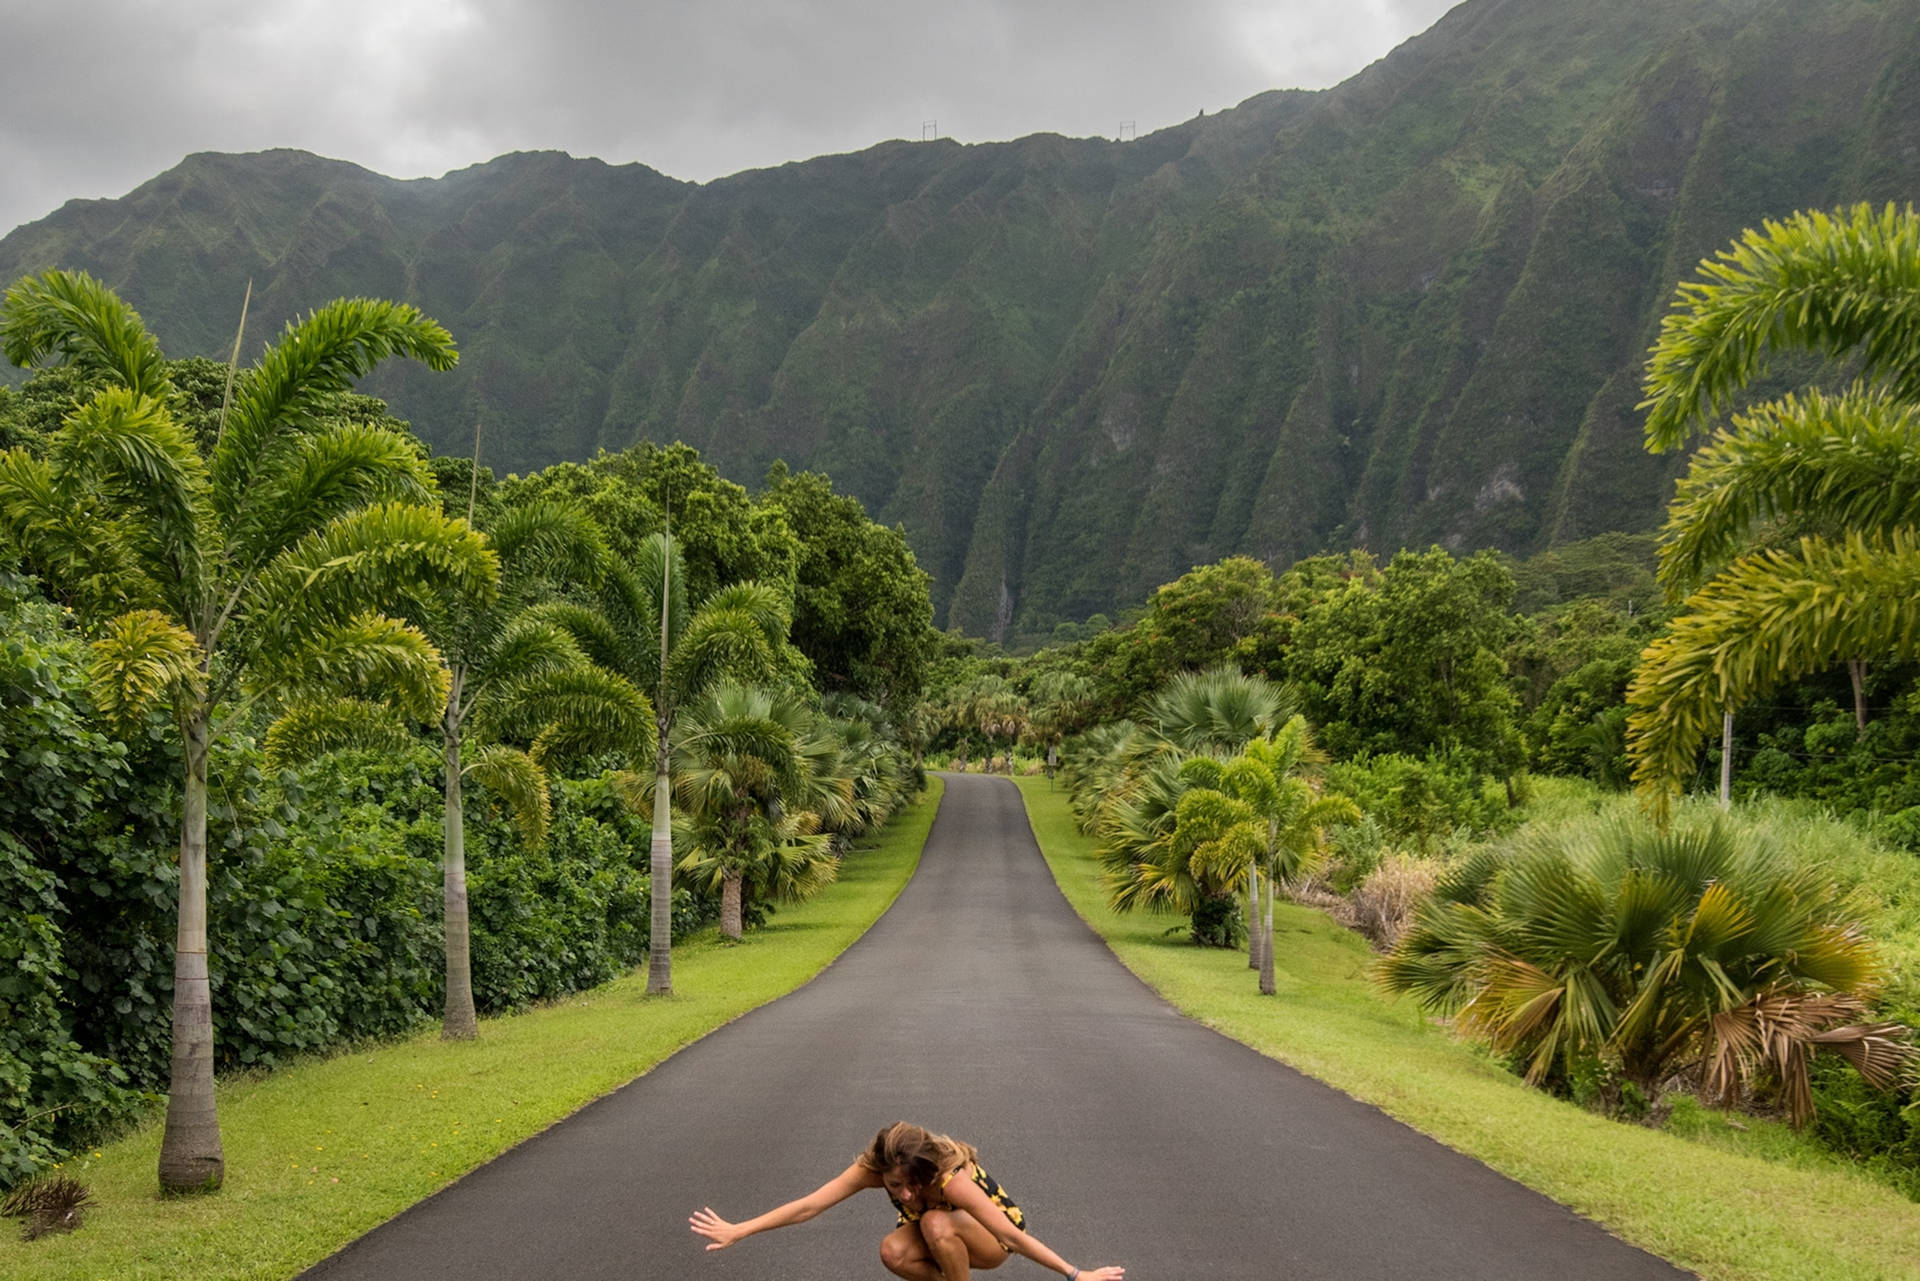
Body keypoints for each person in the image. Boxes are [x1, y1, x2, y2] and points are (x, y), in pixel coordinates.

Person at [689, 1121, 1125, 1280]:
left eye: (911, 1186)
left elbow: (1010, 1232)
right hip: (945, 1237)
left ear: (926, 1173)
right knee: (892, 1251)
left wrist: (1075, 1274)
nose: (904, 1194)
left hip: (993, 1242)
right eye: (894, 1186)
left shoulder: (951, 1180)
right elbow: (810, 1205)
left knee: (936, 1223)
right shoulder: (873, 1169)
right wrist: (740, 1229)